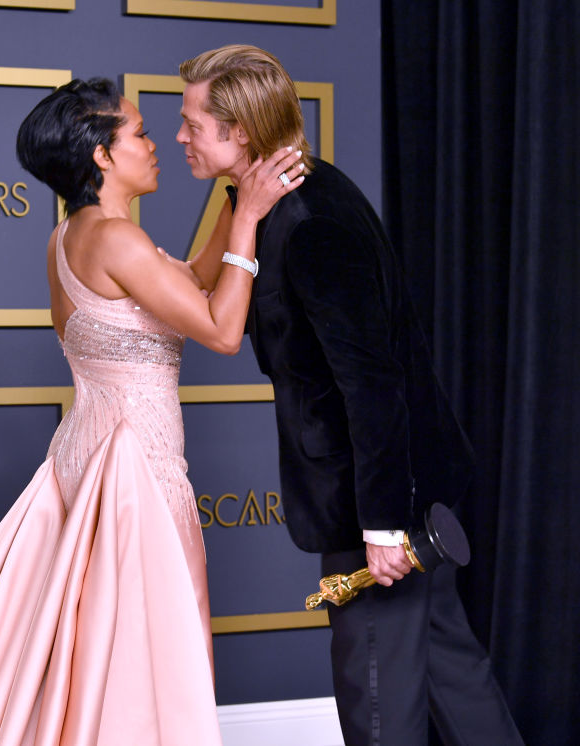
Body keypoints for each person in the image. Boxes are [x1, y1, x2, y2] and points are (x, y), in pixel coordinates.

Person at [0, 78, 302, 745]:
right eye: (139, 133)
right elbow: (222, 329)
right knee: (153, 645)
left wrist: (236, 196)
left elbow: (193, 280)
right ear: (102, 156)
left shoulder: (70, 238)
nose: (155, 143)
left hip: (84, 458)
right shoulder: (116, 240)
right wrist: (253, 219)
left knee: (96, 646)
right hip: (133, 470)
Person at [175, 44, 524, 746]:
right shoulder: (264, 199)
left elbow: (371, 382)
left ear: (240, 131)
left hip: (379, 495)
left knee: (377, 706)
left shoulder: (312, 223)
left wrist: (384, 525)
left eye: (192, 123)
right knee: (456, 679)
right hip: (400, 484)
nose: (181, 135)